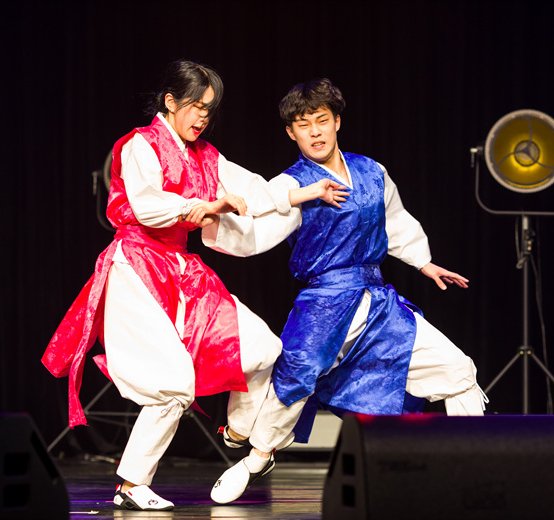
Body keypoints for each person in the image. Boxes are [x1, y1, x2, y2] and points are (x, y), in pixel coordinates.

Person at [41, 62, 345, 511]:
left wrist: (309, 192)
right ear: (170, 101)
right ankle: (131, 484)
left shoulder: (205, 155)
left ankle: (236, 431)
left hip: (180, 270)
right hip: (137, 267)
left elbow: (254, 190)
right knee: (174, 385)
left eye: (209, 109)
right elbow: (146, 206)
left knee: (262, 347)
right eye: (196, 106)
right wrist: (205, 205)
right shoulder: (139, 145)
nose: (203, 117)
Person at [204, 78, 488, 504]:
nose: (315, 132)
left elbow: (394, 221)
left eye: (321, 120)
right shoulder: (292, 185)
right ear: (291, 133)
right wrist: (211, 217)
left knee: (459, 371)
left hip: (377, 303)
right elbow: (255, 232)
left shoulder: (371, 171)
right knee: (295, 376)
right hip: (324, 303)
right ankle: (256, 458)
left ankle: (475, 472)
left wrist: (424, 262)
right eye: (304, 125)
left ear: (337, 121)